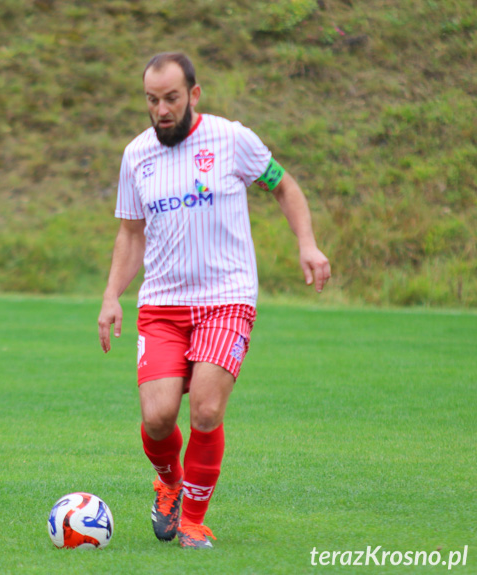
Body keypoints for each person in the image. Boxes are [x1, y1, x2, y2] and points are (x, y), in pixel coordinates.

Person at [97, 52, 331, 548]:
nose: (161, 109)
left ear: (194, 95)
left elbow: (284, 186)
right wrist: (112, 295)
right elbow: (130, 233)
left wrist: (306, 243)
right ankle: (170, 484)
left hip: (226, 299)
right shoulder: (136, 154)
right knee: (157, 417)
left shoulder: (230, 139)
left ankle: (194, 520)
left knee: (205, 410)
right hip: (161, 303)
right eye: (152, 100)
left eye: (171, 99)